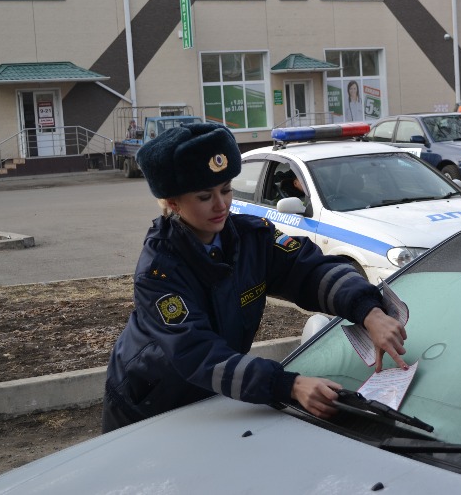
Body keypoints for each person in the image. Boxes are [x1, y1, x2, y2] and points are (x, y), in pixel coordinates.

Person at [102, 123, 407, 432]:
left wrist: (368, 311)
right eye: (205, 196)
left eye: (226, 190)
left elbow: (311, 271)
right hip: (150, 408)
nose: (221, 205)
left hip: (219, 398)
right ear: (172, 202)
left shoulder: (251, 238)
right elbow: (197, 354)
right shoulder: (160, 270)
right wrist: (288, 385)